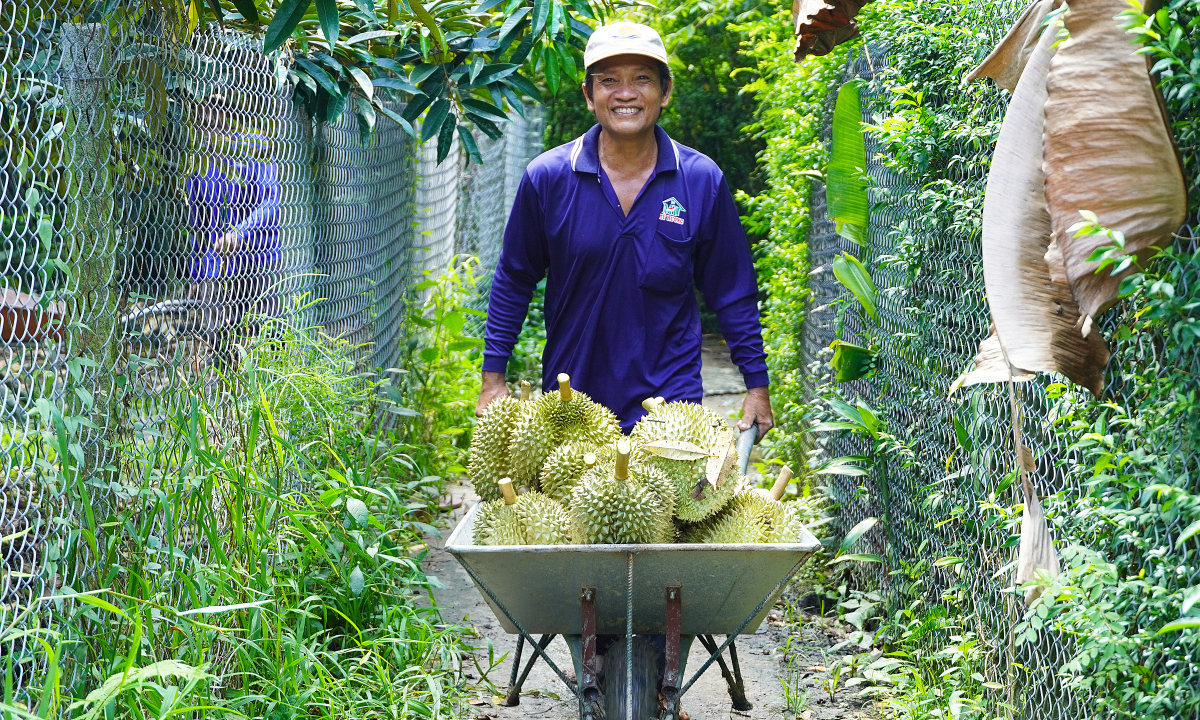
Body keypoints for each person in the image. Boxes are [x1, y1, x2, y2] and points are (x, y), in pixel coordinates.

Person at [477, 21, 774, 440]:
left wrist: (756, 386)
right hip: (571, 400)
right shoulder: (548, 178)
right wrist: (493, 379)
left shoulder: (701, 180)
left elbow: (732, 289)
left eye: (642, 79)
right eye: (608, 81)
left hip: (672, 405)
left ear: (665, 91)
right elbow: (514, 279)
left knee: (673, 508)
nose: (626, 93)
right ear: (588, 94)